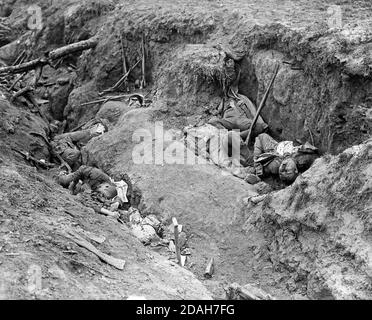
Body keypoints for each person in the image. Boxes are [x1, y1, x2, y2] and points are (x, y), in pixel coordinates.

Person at [245, 133, 319, 184]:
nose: (283, 167)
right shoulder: (303, 159)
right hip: (281, 148)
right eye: (286, 170)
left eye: (281, 172)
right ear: (296, 170)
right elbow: (315, 155)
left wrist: (256, 164)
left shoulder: (275, 165)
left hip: (274, 149)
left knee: (261, 136)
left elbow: (261, 137)